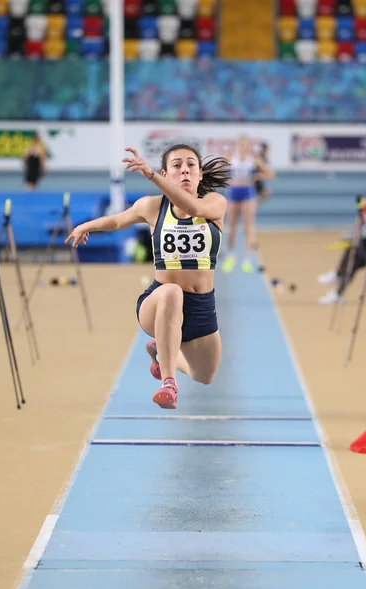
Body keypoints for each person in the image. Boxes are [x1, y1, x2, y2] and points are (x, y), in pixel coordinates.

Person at [65, 144, 231, 410]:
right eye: (177, 166)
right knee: (171, 291)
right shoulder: (152, 207)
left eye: (190, 165)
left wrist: (152, 176)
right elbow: (118, 221)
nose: (185, 170)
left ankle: (160, 350)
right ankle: (168, 384)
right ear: (166, 174)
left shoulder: (214, 203)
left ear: (200, 174)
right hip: (158, 303)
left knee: (204, 375)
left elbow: (192, 207)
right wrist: (86, 226)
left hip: (201, 308)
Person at [318, 183, 366, 304]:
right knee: (351, 264)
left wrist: (365, 208)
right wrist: (363, 211)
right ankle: (338, 291)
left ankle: (337, 274)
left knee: (353, 252)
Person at [222, 135, 274, 274]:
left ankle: (247, 259)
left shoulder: (254, 159)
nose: (244, 147)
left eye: (246, 144)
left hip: (248, 194)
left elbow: (270, 173)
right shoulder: (230, 157)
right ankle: (231, 255)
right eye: (242, 144)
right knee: (231, 227)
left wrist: (256, 177)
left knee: (248, 227)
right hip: (233, 193)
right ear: (238, 145)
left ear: (249, 146)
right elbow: (216, 169)